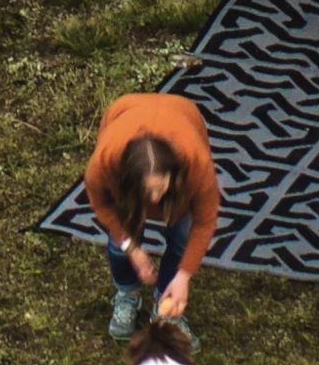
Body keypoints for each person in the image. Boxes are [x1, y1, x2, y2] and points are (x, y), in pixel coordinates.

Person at [80, 91, 218, 343]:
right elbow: (101, 204)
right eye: (147, 190)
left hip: (181, 114)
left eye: (160, 187)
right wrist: (131, 246)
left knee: (182, 237)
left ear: (173, 175)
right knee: (119, 245)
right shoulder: (104, 164)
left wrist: (184, 275)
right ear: (129, 181)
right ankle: (127, 294)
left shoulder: (195, 163)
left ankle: (166, 306)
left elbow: (205, 220)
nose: (154, 199)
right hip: (126, 112)